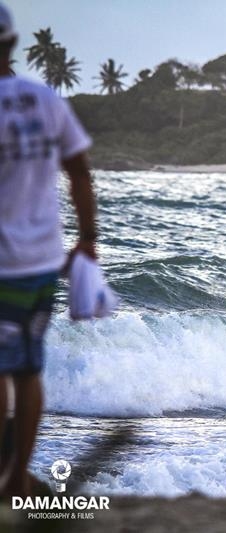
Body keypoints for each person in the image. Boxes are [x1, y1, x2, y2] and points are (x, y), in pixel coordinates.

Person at [0, 2, 97, 497]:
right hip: (41, 263)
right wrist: (87, 242)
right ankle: (16, 476)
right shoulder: (45, 101)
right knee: (28, 370)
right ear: (13, 44)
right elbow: (79, 171)